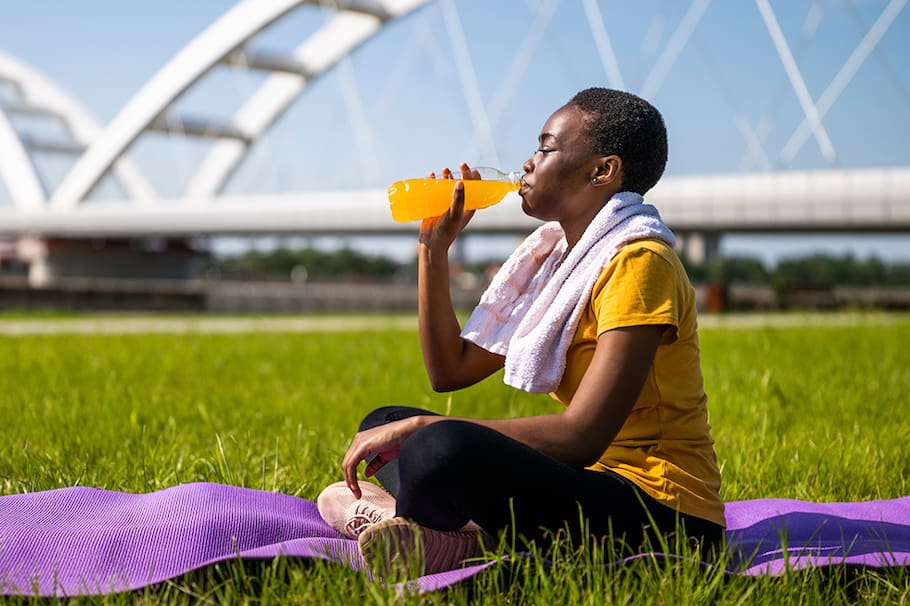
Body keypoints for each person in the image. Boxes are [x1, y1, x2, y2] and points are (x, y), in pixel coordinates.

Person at [317, 88, 725, 579]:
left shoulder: (640, 262)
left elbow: (581, 437)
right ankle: (442, 535)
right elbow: (449, 371)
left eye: (546, 148)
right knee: (383, 423)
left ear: (602, 171)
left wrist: (427, 431)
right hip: (586, 484)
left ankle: (431, 532)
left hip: (665, 516)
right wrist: (434, 249)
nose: (527, 164)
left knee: (436, 448)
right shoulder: (557, 262)